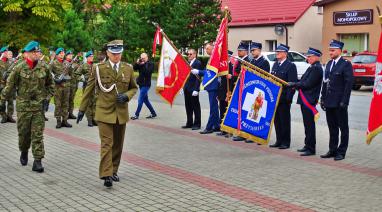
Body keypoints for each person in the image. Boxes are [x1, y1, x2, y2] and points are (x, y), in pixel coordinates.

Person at [77, 40, 138, 187]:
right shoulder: (99, 68)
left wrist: (127, 96)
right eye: (113, 53)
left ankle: (114, 170)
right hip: (104, 112)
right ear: (108, 53)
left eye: (118, 53)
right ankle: (106, 174)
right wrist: (82, 109)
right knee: (107, 143)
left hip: (120, 112)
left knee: (118, 144)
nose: (116, 56)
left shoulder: (128, 69)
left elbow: (134, 88)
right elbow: (89, 89)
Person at [0, 41, 54, 172]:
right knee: (24, 135)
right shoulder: (18, 68)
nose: (37, 54)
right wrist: (1, 101)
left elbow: (50, 85)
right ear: (27, 54)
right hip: (23, 107)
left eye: (38, 52)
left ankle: (37, 160)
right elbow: (9, 86)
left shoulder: (44, 67)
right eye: (34, 52)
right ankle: (24, 151)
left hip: (38, 107)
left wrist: (47, 99)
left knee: (38, 135)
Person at [320, 40, 354, 161]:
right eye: (329, 50)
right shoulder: (329, 64)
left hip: (340, 102)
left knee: (343, 128)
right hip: (329, 101)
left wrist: (345, 101)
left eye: (333, 50)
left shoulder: (345, 64)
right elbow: (325, 83)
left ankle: (341, 151)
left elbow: (348, 84)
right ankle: (332, 149)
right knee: (332, 127)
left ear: (340, 51)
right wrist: (322, 98)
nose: (330, 52)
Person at [288, 47, 323, 156]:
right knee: (307, 125)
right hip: (305, 98)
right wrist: (296, 83)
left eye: (310, 56)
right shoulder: (312, 67)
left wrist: (294, 84)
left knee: (309, 125)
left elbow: (308, 84)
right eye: (307, 56)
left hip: (309, 99)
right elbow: (303, 81)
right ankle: (307, 145)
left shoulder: (317, 68)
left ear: (316, 57)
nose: (308, 58)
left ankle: (311, 148)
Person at [269, 44, 298, 149]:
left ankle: (285, 142)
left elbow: (293, 84)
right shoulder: (275, 64)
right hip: (275, 97)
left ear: (285, 54)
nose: (277, 53)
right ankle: (279, 140)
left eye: (279, 52)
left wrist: (288, 98)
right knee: (277, 120)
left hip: (284, 98)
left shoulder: (290, 66)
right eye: (277, 52)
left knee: (284, 121)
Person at [191, 43, 220, 134]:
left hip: (214, 86)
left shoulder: (215, 59)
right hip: (211, 86)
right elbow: (207, 72)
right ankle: (217, 125)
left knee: (213, 107)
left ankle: (209, 127)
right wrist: (199, 71)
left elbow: (211, 73)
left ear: (212, 49)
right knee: (214, 107)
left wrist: (199, 71)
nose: (206, 50)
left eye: (207, 49)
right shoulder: (211, 59)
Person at [232, 42, 251, 142]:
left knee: (246, 113)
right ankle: (241, 133)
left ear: (245, 51)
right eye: (238, 50)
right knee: (240, 113)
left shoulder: (247, 61)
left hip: (245, 90)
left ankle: (246, 134)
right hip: (239, 89)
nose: (238, 52)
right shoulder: (240, 61)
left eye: (240, 50)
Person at [50, 47, 72, 128]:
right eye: (60, 53)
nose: (62, 55)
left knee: (66, 104)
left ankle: (65, 120)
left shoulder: (67, 63)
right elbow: (49, 73)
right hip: (57, 87)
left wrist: (68, 78)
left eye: (63, 53)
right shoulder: (53, 63)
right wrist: (55, 79)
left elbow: (71, 74)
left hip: (66, 87)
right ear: (57, 54)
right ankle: (58, 121)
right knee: (58, 104)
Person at [131, 53, 157, 120]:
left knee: (140, 99)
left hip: (146, 84)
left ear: (147, 57)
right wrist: (137, 63)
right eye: (141, 58)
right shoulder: (140, 63)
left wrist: (143, 65)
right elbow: (134, 68)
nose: (142, 59)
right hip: (141, 84)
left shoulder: (151, 64)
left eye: (144, 58)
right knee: (145, 100)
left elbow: (148, 72)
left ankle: (136, 115)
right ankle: (153, 113)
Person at [75, 50, 97, 127]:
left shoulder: (95, 66)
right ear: (87, 57)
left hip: (95, 87)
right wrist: (83, 79)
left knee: (94, 103)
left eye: (92, 56)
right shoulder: (83, 65)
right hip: (87, 86)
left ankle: (94, 119)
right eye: (90, 57)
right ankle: (89, 120)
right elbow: (76, 74)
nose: (91, 58)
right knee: (88, 103)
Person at [182, 48, 202, 130]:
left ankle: (197, 124)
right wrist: (182, 87)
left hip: (193, 89)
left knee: (195, 107)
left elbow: (198, 77)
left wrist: (196, 89)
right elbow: (185, 76)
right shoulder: (188, 63)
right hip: (187, 88)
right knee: (188, 106)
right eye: (188, 54)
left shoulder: (198, 63)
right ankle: (189, 122)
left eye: (190, 54)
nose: (189, 56)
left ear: (195, 54)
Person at [216, 50, 234, 137]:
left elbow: (232, 82)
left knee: (227, 112)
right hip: (221, 92)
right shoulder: (223, 67)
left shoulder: (231, 67)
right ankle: (223, 129)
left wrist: (229, 92)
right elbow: (220, 81)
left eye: (226, 57)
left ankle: (228, 130)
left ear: (229, 57)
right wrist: (218, 94)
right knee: (222, 110)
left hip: (227, 92)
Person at [0, 46, 16, 123]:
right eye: (6, 52)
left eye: (8, 52)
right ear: (3, 53)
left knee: (10, 102)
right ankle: (3, 116)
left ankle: (10, 116)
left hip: (10, 85)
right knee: (2, 102)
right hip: (2, 85)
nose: (7, 53)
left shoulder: (10, 61)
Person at [64, 50, 79, 120]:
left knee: (71, 99)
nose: (71, 56)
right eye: (69, 55)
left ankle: (70, 113)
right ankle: (65, 114)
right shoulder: (65, 63)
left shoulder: (73, 63)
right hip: (67, 84)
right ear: (66, 56)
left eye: (71, 55)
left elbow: (75, 72)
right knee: (66, 100)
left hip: (73, 84)